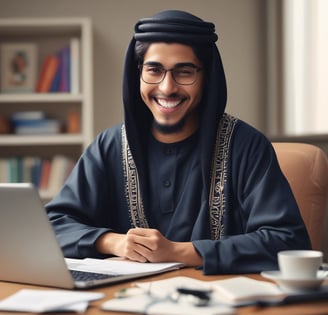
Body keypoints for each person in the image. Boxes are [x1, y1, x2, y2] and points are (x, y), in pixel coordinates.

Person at [46, 10, 311, 275]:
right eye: (154, 70)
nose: (167, 88)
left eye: (184, 72)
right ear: (138, 74)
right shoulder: (108, 147)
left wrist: (178, 252)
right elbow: (51, 226)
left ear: (206, 77)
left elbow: (287, 241)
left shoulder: (247, 146)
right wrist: (115, 242)